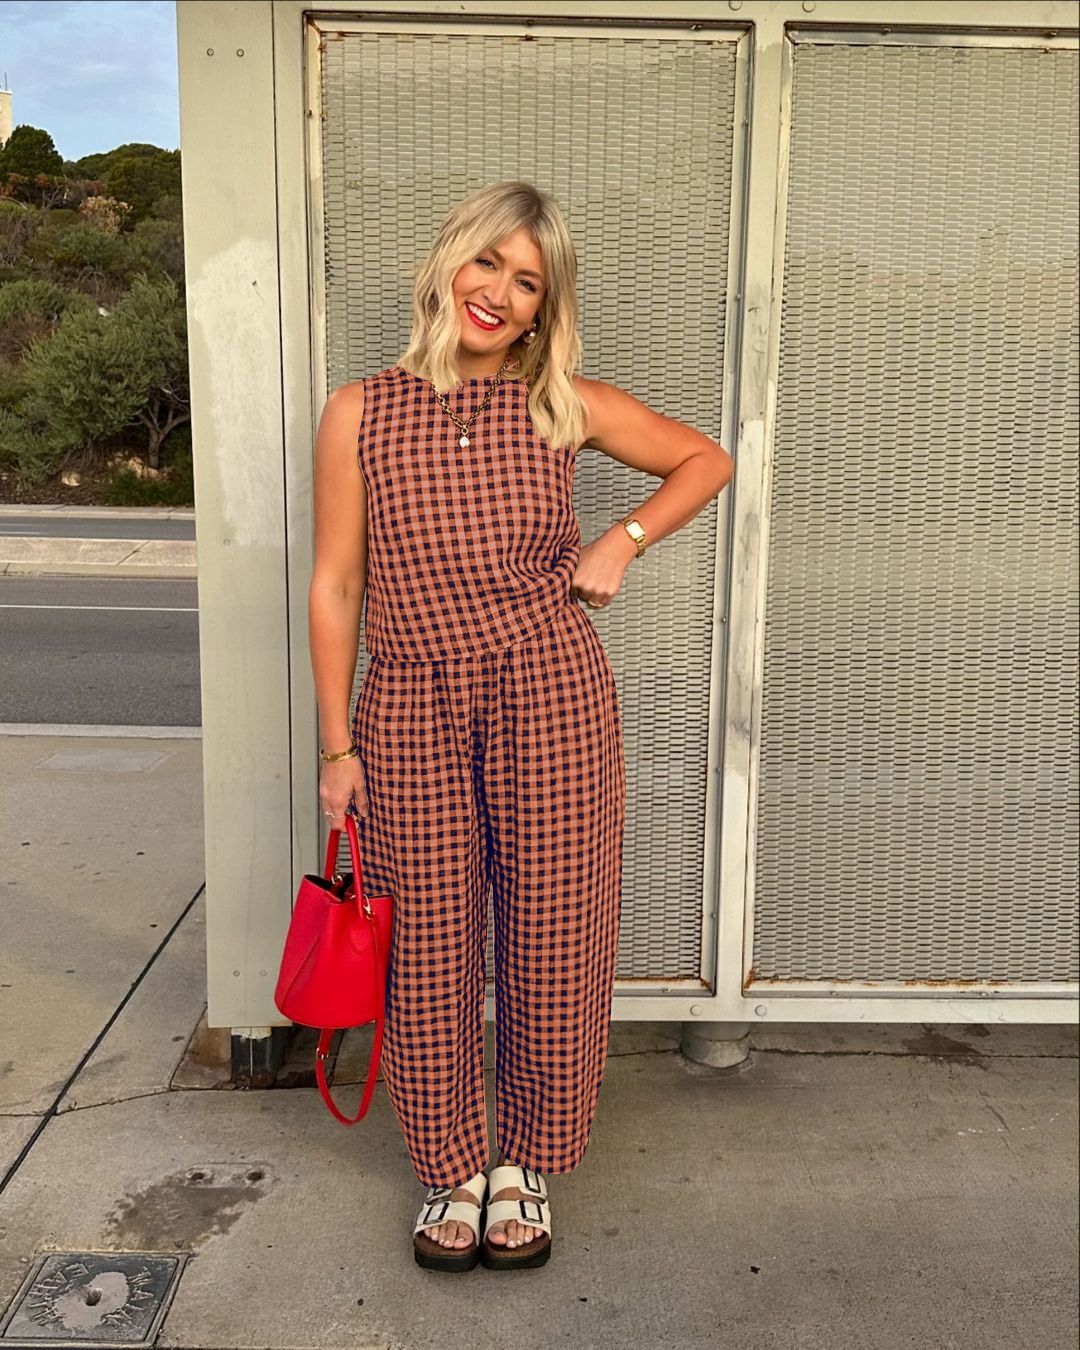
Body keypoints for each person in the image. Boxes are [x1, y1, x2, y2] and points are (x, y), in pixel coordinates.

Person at [308, 180, 733, 1272]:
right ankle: (451, 1165)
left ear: (546, 306)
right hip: (408, 700)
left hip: (548, 690)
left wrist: (622, 539)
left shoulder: (562, 404)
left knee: (555, 928)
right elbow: (337, 584)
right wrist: (337, 747)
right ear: (448, 264)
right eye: (487, 262)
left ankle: (527, 1161)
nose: (499, 292)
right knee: (426, 938)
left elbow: (706, 460)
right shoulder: (360, 411)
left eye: (528, 280)